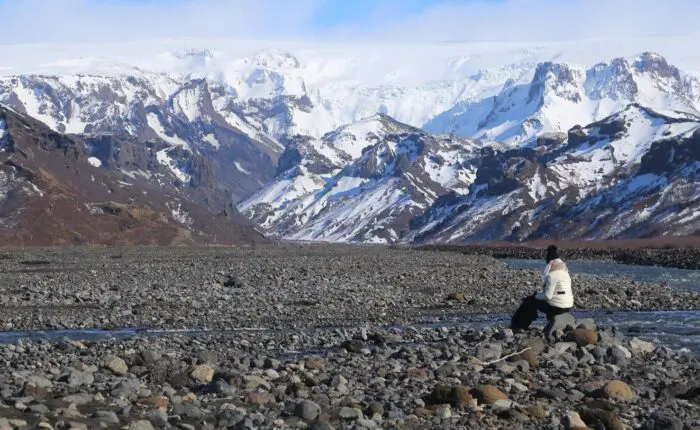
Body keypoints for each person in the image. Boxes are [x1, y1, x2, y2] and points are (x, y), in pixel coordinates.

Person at [510, 245, 574, 330]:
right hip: (568, 305)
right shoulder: (566, 274)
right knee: (545, 300)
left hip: (557, 307)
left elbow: (548, 296)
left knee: (529, 301)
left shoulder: (552, 275)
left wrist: (535, 296)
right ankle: (552, 323)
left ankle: (519, 324)